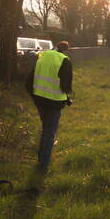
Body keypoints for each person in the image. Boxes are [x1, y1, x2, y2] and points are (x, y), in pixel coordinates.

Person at [24, 40, 73, 172]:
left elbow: (29, 81)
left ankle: (42, 154)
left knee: (46, 128)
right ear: (66, 50)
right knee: (49, 132)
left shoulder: (42, 56)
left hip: (39, 99)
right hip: (55, 102)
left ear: (55, 46)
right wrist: (68, 97)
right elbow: (66, 86)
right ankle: (43, 164)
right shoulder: (64, 60)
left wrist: (34, 95)